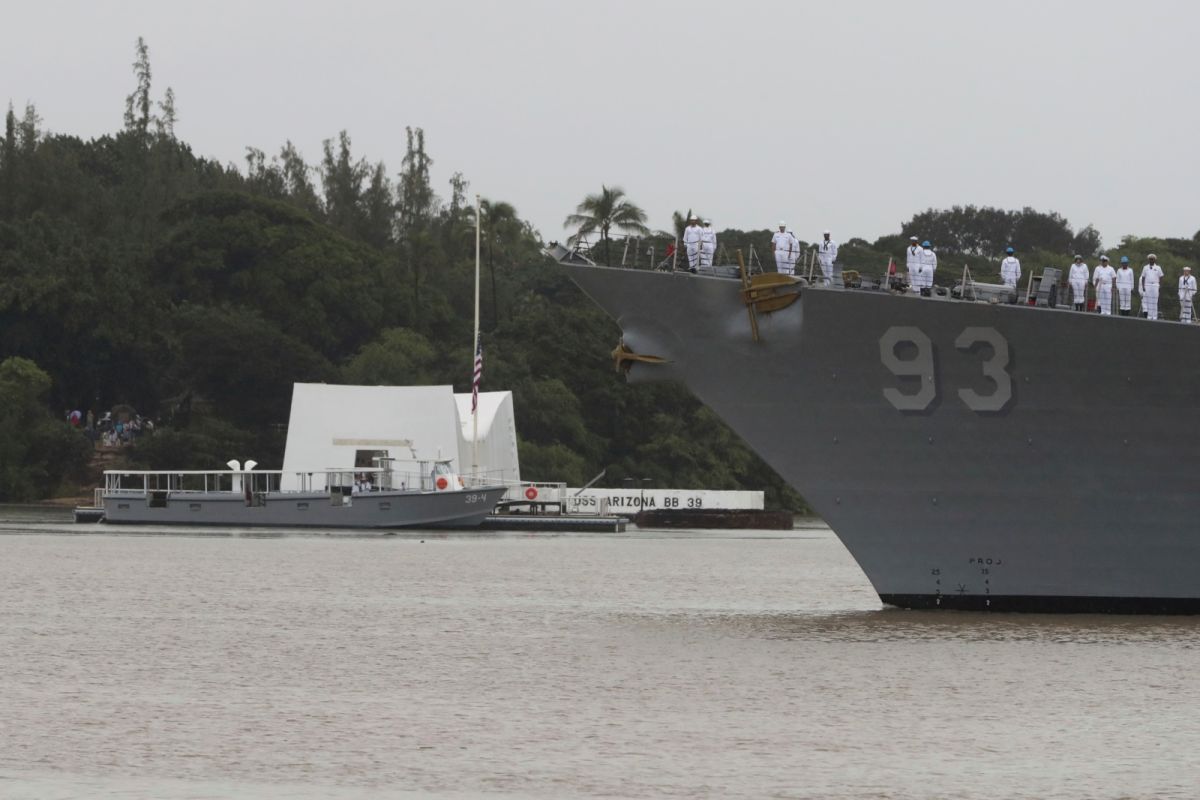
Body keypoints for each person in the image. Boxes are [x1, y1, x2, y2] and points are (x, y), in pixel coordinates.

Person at [1140, 253, 1164, 320]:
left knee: (1155, 301)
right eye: (1150, 259)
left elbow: (1161, 277)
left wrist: (1160, 285)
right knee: (1149, 301)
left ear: (1154, 260)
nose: (1151, 260)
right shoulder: (1145, 267)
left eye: (1152, 259)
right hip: (1147, 285)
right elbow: (1143, 277)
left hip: (1155, 285)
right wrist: (1143, 286)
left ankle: (1154, 316)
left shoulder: (1158, 267)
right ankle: (1149, 316)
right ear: (1148, 260)